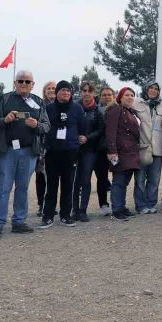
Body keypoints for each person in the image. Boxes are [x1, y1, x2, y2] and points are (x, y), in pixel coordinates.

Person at [0, 70, 50, 238]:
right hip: (7, 151)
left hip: (29, 152)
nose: (24, 84)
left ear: (33, 84)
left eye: (27, 81)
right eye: (21, 81)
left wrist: (36, 124)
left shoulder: (38, 102)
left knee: (22, 188)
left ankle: (18, 221)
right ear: (15, 82)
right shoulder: (5, 99)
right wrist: (5, 120)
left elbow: (46, 126)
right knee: (3, 188)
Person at [39, 80, 85, 229]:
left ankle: (66, 215)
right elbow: (43, 127)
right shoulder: (48, 108)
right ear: (57, 92)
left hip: (70, 152)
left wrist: (82, 138)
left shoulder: (77, 109)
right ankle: (48, 216)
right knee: (51, 185)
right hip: (52, 151)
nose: (65, 93)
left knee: (68, 185)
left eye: (68, 90)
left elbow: (82, 127)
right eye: (62, 90)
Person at [105, 87, 141, 221]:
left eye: (132, 95)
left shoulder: (131, 112)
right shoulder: (116, 110)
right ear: (120, 97)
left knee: (124, 181)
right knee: (119, 181)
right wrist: (112, 150)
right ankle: (117, 209)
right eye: (127, 95)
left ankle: (121, 206)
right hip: (120, 151)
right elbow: (110, 132)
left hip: (131, 151)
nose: (130, 97)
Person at [72, 81, 104, 222]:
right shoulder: (74, 107)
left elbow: (100, 130)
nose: (86, 93)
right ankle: (74, 210)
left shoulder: (97, 111)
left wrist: (88, 137)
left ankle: (83, 210)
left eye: (89, 91)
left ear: (93, 93)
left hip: (90, 150)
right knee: (74, 181)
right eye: (84, 90)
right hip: (73, 148)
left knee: (85, 180)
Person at [133, 81, 162, 214]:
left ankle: (151, 203)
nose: (153, 90)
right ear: (146, 89)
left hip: (157, 147)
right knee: (140, 179)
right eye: (151, 88)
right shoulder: (136, 103)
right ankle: (140, 205)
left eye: (156, 89)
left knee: (154, 179)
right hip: (142, 147)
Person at [34, 80, 56, 216]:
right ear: (44, 91)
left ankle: (51, 205)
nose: (51, 90)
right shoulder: (38, 105)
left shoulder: (62, 106)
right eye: (49, 88)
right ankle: (41, 204)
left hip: (56, 146)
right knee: (41, 177)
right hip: (41, 146)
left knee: (53, 177)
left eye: (54, 88)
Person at [95, 87, 115, 215]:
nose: (107, 97)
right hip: (100, 149)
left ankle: (117, 203)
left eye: (109, 94)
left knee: (118, 178)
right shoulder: (96, 111)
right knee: (102, 178)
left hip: (115, 149)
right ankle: (103, 204)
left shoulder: (119, 110)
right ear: (100, 96)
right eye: (104, 95)